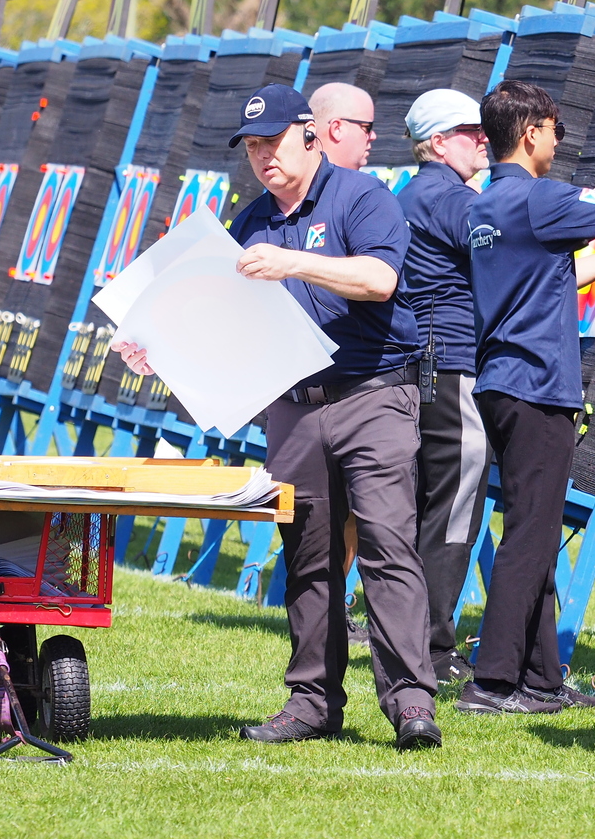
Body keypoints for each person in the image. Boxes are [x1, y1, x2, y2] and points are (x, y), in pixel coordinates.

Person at [113, 84, 439, 750]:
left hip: (375, 394)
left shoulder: (362, 197)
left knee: (387, 546)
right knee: (307, 555)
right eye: (253, 147)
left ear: (311, 138)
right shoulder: (249, 219)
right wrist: (155, 348)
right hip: (294, 405)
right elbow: (221, 316)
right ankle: (313, 703)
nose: (263, 157)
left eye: (274, 142)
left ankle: (411, 706)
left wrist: (294, 263)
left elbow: (380, 280)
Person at [459, 80, 595, 715]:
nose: (559, 138)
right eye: (555, 127)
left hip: (503, 382)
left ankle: (540, 678)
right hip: (540, 384)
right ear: (531, 131)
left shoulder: (487, 206)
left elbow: (553, 278)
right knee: (531, 536)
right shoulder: (541, 199)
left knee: (531, 528)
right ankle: (491, 682)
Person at [395, 88, 491, 685]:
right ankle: (430, 648)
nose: (484, 137)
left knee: (430, 506)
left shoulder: (417, 192)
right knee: (453, 508)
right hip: (450, 365)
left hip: (431, 362)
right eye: (469, 130)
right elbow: (510, 259)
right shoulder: (446, 195)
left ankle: (415, 637)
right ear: (436, 142)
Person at [306, 80, 377, 647]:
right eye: (365, 127)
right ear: (334, 129)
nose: (374, 138)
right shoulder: (294, 202)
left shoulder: (366, 195)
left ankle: (343, 604)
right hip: (308, 397)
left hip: (367, 389)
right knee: (321, 524)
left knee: (360, 515)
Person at [309, 81, 376, 171]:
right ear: (337, 129)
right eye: (367, 128)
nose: (373, 136)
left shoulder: (290, 179)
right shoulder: (366, 184)